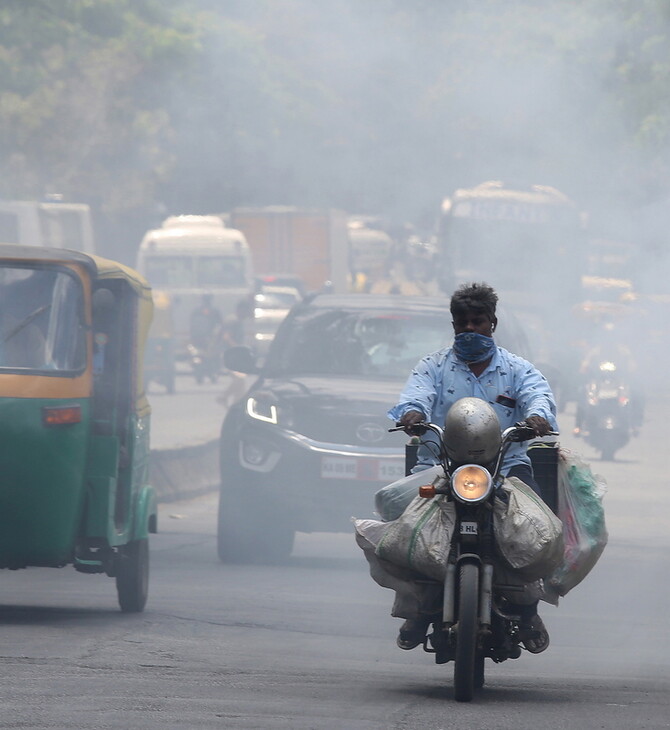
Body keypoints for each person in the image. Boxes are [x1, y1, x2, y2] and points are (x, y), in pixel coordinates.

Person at [387, 282, 558, 653]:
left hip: (506, 467)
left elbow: (539, 396)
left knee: (537, 531)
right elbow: (415, 395)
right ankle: (415, 608)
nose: (469, 328)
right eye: (461, 322)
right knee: (401, 529)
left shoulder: (517, 369)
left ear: (492, 323)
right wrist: (413, 413)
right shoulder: (431, 366)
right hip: (440, 466)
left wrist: (537, 417)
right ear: (452, 325)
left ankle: (528, 608)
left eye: (476, 321)